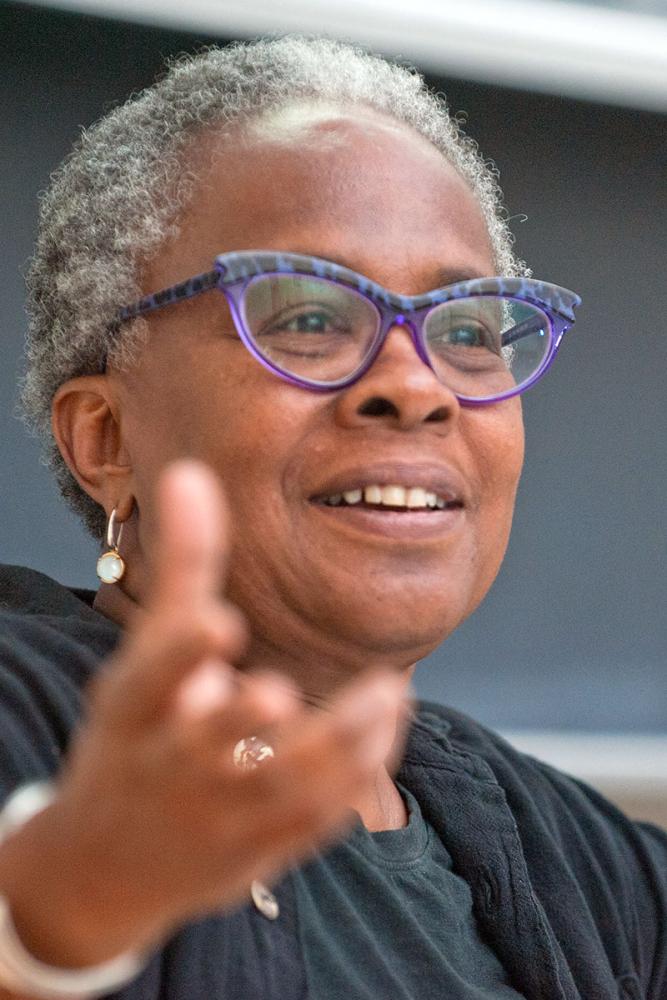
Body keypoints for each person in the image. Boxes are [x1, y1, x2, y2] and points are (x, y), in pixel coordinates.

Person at [0, 34, 664, 1000]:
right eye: (307, 317)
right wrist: (61, 913)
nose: (415, 386)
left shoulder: (571, 856)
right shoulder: (23, 721)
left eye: (469, 330)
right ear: (105, 439)